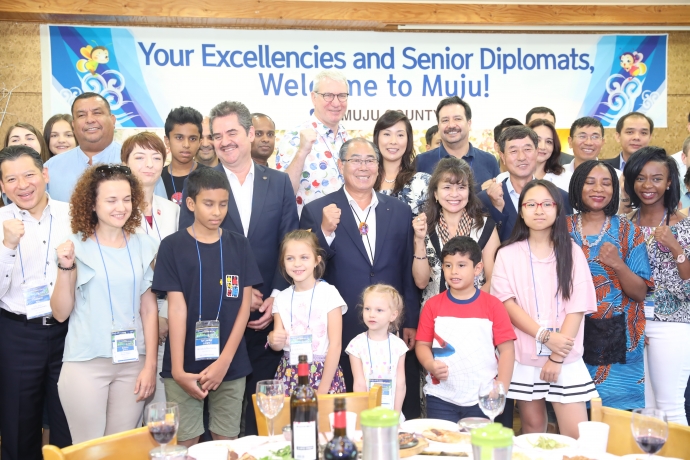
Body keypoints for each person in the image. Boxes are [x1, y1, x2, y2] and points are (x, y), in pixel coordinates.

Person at [178, 100, 298, 436]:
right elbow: (190, 250)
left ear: (248, 133)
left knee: (262, 414)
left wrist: (274, 294)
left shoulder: (278, 182)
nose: (224, 141)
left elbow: (290, 243)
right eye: (217, 135)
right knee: (215, 420)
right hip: (217, 316)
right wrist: (241, 298)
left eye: (232, 132)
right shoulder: (199, 183)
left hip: (266, 317)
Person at [299, 138, 421, 417]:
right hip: (339, 328)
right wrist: (326, 232)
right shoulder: (317, 211)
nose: (363, 167)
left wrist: (410, 319)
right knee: (345, 409)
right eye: (356, 160)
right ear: (341, 165)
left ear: (378, 168)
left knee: (393, 404)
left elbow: (405, 268)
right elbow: (308, 272)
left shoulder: (399, 210)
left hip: (389, 327)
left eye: (370, 160)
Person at [51, 164, 159, 443]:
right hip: (86, 363)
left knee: (121, 449)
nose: (121, 207)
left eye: (126, 199)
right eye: (111, 200)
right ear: (92, 204)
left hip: (133, 362)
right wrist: (65, 268)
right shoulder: (74, 246)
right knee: (90, 451)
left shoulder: (145, 245)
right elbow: (61, 313)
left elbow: (148, 309)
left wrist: (149, 365)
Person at [153, 168, 261, 446]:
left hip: (230, 363)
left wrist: (224, 361)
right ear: (191, 204)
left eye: (223, 204)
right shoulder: (172, 246)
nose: (217, 212)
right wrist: (177, 370)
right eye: (208, 204)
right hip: (184, 364)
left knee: (226, 442)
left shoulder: (239, 245)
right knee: (185, 443)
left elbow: (243, 306)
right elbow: (176, 309)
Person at [491, 180, 598, 439]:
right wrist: (544, 336)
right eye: (531, 204)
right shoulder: (507, 253)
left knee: (576, 436)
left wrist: (557, 355)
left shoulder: (571, 251)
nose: (539, 210)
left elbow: (578, 306)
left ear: (557, 209)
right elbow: (507, 304)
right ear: (521, 211)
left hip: (565, 357)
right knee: (532, 430)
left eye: (546, 204)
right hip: (525, 356)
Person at [0, 145, 72, 459]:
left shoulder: (73, 215)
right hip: (18, 334)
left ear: (45, 175)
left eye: (29, 174)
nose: (23, 185)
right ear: (2, 186)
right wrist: (8, 246)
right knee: (18, 424)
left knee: (68, 421)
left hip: (68, 332)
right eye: (11, 179)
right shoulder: (1, 221)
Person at [566, 160, 652, 410]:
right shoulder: (561, 229)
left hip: (620, 339)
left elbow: (639, 292)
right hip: (571, 335)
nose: (598, 189)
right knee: (575, 415)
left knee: (617, 419)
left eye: (606, 183)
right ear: (577, 186)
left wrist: (618, 264)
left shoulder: (627, 230)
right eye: (590, 182)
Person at [416, 236, 516, 422]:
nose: (454, 271)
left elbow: (507, 351)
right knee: (442, 447)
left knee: (478, 449)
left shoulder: (493, 305)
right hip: (440, 397)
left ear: (477, 268)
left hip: (482, 397)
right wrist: (430, 365)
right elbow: (422, 344)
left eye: (461, 265)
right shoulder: (432, 305)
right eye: (448, 265)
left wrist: (500, 388)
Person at [623, 146, 690, 424]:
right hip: (635, 323)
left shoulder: (685, 224)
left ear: (670, 181)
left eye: (656, 178)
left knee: (670, 405)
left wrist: (675, 247)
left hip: (672, 324)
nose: (648, 185)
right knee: (645, 409)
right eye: (640, 178)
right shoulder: (624, 223)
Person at [122, 132, 180, 408]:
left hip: (168, 317)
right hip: (128, 317)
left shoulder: (171, 210)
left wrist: (165, 316)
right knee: (129, 405)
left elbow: (178, 271)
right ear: (125, 162)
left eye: (157, 157)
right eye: (140, 157)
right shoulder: (115, 210)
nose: (149, 164)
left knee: (161, 407)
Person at [44, 92, 166, 202]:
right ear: (73, 125)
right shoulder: (51, 168)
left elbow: (159, 215)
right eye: (81, 115)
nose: (90, 120)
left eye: (97, 113)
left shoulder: (140, 163)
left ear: (112, 120)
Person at [268, 230, 347, 395]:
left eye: (304, 257)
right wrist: (273, 339)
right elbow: (277, 345)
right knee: (291, 420)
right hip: (289, 375)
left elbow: (335, 345)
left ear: (317, 260)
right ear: (283, 262)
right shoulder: (280, 299)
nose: (297, 264)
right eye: (290, 258)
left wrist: (323, 390)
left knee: (324, 421)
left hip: (324, 375)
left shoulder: (329, 293)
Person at [413, 157, 499, 303]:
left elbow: (493, 280)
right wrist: (419, 240)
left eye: (461, 187)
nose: (454, 194)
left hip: (475, 313)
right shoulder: (423, 227)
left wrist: (463, 308)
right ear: (435, 194)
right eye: (447, 187)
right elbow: (421, 282)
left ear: (469, 192)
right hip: (433, 315)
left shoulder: (486, 227)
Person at [478, 126, 573, 241]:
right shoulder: (484, 200)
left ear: (537, 152)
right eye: (513, 151)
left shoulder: (560, 197)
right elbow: (482, 245)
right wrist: (497, 210)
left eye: (527, 149)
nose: (521, 157)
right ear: (502, 157)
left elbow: (565, 242)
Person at [276, 70, 350, 213]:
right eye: (328, 95)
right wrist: (302, 152)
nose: (336, 103)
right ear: (314, 97)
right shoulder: (294, 137)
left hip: (348, 230)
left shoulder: (350, 140)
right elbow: (283, 193)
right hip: (309, 231)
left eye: (342, 96)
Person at [346, 284, 408, 413]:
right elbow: (359, 384)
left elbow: (400, 384)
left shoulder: (399, 346)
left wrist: (396, 414)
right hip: (367, 413)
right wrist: (364, 414)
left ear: (393, 315)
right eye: (367, 309)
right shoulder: (356, 345)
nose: (371, 314)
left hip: (392, 413)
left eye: (379, 310)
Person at [415, 97, 499, 190]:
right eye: (445, 120)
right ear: (439, 126)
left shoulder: (489, 161)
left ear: (469, 123)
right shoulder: (421, 162)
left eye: (457, 119)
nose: (451, 125)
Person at [373, 110, 430, 217]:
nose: (393, 141)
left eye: (400, 135)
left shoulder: (422, 183)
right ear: (377, 138)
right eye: (387, 134)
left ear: (408, 140)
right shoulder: (364, 181)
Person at [161, 107, 205, 204]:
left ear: (200, 142)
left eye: (192, 139)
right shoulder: (157, 178)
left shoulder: (211, 177)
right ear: (167, 141)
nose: (186, 145)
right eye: (179, 137)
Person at [482, 117, 523, 188]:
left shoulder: (534, 180)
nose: (520, 155)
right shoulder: (485, 177)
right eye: (509, 142)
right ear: (497, 147)